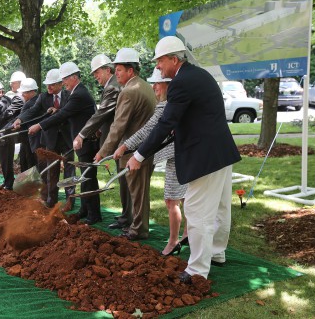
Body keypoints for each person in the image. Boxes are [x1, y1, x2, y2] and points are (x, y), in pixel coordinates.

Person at [128, 36, 242, 283]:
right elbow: (192, 118)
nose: (157, 66)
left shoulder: (181, 82)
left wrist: (138, 155)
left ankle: (196, 270)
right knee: (221, 207)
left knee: (196, 210)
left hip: (205, 157)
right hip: (221, 151)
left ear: (173, 58)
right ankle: (217, 252)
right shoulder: (199, 75)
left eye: (159, 60)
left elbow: (165, 122)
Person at [113, 68, 188, 256]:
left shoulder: (165, 105)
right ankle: (187, 235)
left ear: (168, 84)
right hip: (188, 154)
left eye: (157, 82)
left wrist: (126, 147)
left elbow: (149, 130)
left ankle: (173, 242)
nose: (153, 86)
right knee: (188, 197)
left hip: (177, 158)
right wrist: (126, 147)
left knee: (172, 201)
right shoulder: (181, 101)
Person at [94, 48, 157, 240]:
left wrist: (102, 151)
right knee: (139, 192)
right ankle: (136, 225)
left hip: (135, 150)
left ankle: (138, 230)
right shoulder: (145, 86)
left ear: (131, 70)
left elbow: (118, 126)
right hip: (146, 148)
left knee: (137, 193)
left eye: (119, 70)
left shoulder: (129, 91)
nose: (116, 74)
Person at [29, 62, 101, 225]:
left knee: (87, 178)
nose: (64, 83)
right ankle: (85, 209)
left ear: (74, 78)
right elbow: (64, 112)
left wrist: (39, 125)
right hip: (82, 142)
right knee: (84, 177)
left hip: (86, 142)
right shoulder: (78, 92)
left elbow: (63, 114)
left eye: (65, 79)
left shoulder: (78, 94)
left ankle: (94, 214)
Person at [73, 54, 132, 230]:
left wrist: (82, 135)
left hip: (122, 140)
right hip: (116, 140)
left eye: (97, 72)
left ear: (108, 70)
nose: (95, 76)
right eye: (93, 74)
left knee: (126, 181)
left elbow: (101, 114)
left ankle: (129, 219)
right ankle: (126, 216)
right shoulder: (112, 85)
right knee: (123, 181)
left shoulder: (113, 87)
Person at [13, 69, 76, 210]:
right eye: (47, 85)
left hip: (67, 139)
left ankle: (70, 200)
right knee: (51, 171)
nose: (48, 88)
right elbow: (32, 111)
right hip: (50, 139)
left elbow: (68, 113)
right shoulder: (43, 97)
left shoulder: (69, 95)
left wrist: (58, 111)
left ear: (60, 83)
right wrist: (20, 119)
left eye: (51, 85)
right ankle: (51, 200)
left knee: (69, 170)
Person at [17, 78, 39, 171]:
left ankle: (32, 185)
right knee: (25, 162)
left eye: (24, 92)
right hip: (27, 140)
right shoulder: (34, 101)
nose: (22, 94)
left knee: (30, 164)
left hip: (31, 140)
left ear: (32, 91)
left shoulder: (33, 103)